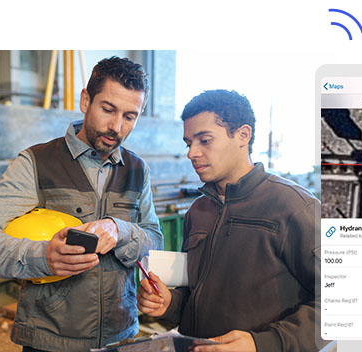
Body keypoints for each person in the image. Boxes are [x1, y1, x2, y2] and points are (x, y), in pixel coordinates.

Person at [0, 56, 163, 352]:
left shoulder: (137, 170)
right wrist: (42, 257)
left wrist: (120, 229)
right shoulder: (37, 163)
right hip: (49, 341)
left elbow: (154, 239)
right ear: (85, 100)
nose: (117, 126)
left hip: (120, 337)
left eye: (130, 116)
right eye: (108, 109)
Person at [137, 90, 323, 352]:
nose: (192, 153)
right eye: (188, 142)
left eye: (204, 140)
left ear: (243, 135)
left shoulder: (293, 207)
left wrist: (262, 344)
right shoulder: (198, 211)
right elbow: (193, 293)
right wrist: (169, 304)